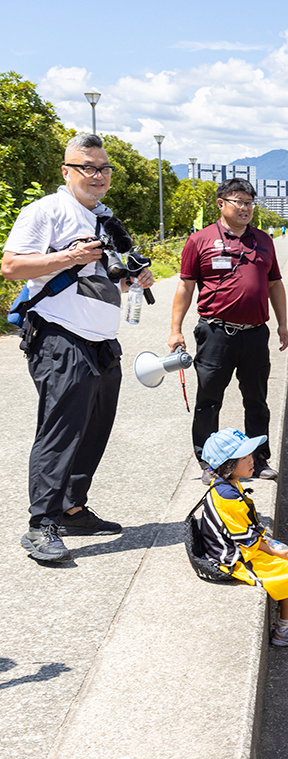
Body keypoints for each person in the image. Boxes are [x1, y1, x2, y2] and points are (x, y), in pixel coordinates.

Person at [2, 133, 154, 563]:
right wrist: (67, 257)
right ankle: (41, 525)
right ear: (67, 171)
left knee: (94, 428)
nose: (98, 175)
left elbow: (105, 277)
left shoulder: (104, 217)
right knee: (61, 429)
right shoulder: (46, 211)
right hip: (59, 334)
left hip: (102, 340)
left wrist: (132, 281)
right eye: (88, 167)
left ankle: (71, 508)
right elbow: (10, 266)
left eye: (104, 168)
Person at [172, 178, 288, 484]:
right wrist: (175, 330)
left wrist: (283, 324)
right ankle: (209, 462)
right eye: (239, 201)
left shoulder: (264, 240)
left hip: (255, 333)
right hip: (215, 334)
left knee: (256, 399)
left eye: (250, 202)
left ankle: (259, 458)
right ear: (221, 204)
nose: (246, 208)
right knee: (209, 400)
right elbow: (185, 286)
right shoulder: (199, 240)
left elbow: (275, 284)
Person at [199, 428, 288, 648]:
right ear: (227, 465)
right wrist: (273, 550)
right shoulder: (227, 495)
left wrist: (271, 545)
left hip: (242, 548)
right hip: (231, 559)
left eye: (250, 455)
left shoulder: (229, 485)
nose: (252, 460)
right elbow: (244, 537)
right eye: (244, 457)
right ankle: (283, 630)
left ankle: (286, 620)